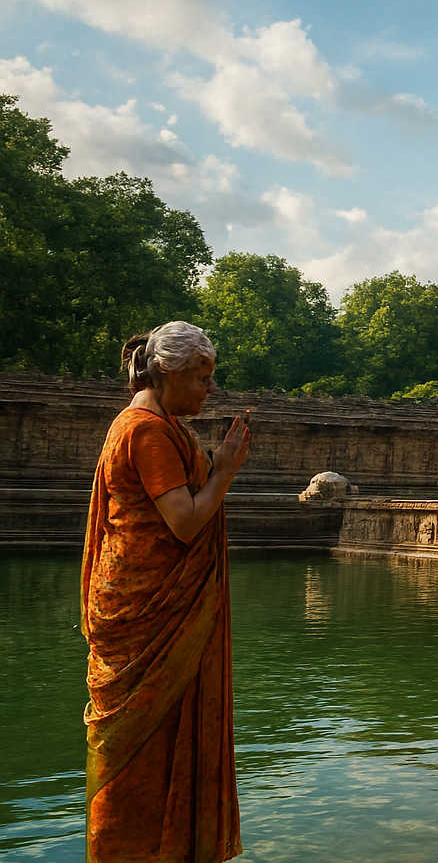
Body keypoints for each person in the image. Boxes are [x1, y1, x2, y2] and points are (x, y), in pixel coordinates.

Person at [81, 321, 252, 861]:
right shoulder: (147, 431)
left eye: (210, 377)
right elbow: (183, 522)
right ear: (167, 373)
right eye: (201, 378)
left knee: (163, 736)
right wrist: (223, 471)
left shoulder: (160, 424)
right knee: (144, 741)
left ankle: (163, 848)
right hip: (148, 607)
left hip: (157, 601)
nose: (210, 389)